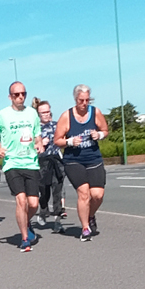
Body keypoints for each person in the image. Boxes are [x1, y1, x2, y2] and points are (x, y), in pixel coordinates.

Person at [0, 82, 43, 252]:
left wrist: (39, 144)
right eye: (16, 94)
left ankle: (26, 220)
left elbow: (37, 135)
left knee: (33, 204)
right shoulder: (2, 115)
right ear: (10, 96)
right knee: (21, 200)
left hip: (31, 162)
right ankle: (24, 238)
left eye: (23, 94)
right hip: (12, 164)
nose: (20, 97)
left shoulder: (32, 113)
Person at [54, 85, 109, 242]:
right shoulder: (67, 116)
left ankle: (90, 216)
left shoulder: (95, 112)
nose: (84, 103)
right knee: (84, 193)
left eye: (87, 100)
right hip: (73, 160)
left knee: (98, 195)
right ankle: (85, 228)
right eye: (81, 100)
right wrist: (70, 141)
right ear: (75, 99)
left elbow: (105, 130)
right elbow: (57, 140)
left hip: (93, 157)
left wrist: (99, 134)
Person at [36, 99, 66, 230]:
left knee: (57, 189)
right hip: (42, 161)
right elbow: (29, 146)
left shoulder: (57, 125)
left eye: (48, 111)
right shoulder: (35, 129)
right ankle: (43, 211)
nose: (46, 114)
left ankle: (58, 221)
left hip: (56, 160)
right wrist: (40, 143)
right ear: (38, 114)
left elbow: (65, 138)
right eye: (43, 113)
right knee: (44, 190)